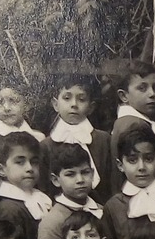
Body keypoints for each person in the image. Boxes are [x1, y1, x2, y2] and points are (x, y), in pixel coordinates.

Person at [34, 140, 108, 239]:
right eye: (70, 174)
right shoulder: (53, 221)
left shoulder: (101, 211)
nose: (80, 179)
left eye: (85, 172)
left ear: (92, 174)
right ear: (56, 180)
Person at [40, 72, 113, 205]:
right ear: (55, 104)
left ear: (91, 107)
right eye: (67, 98)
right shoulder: (46, 146)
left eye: (81, 99)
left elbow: (113, 182)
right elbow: (45, 188)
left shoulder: (103, 140)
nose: (74, 104)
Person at [106, 60, 155, 196]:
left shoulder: (129, 121)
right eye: (142, 88)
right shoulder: (135, 125)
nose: (152, 94)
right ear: (124, 96)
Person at [0, 83, 45, 197]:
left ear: (27, 104)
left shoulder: (38, 137)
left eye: (13, 101)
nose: (6, 108)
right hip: (4, 200)